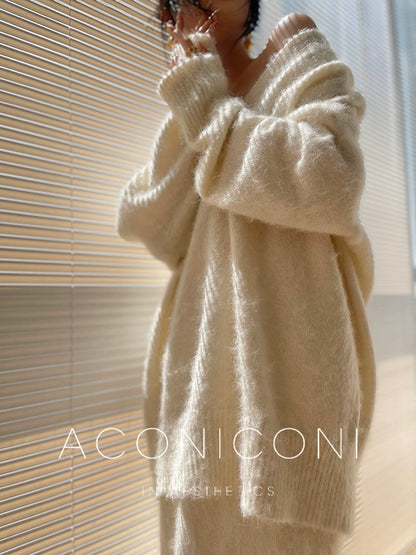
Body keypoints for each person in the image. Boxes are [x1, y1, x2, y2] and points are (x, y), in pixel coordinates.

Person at [116, 0, 376, 553]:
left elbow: (333, 178)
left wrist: (209, 111)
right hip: (199, 390)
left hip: (290, 395)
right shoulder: (195, 99)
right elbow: (154, 227)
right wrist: (194, 98)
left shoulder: (290, 44)